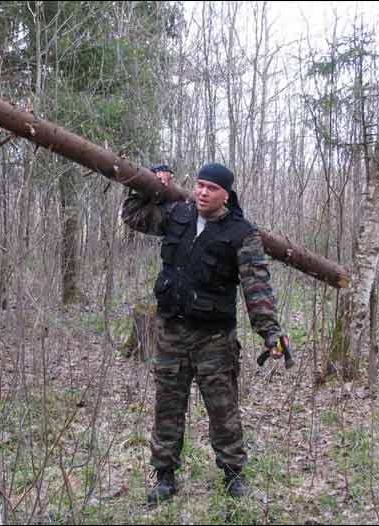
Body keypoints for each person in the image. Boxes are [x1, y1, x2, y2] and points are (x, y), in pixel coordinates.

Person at [122, 162, 286, 504]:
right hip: (171, 331)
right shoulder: (177, 215)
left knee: (223, 410)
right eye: (199, 185)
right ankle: (164, 476)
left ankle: (234, 475)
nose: (202, 192)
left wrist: (270, 332)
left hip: (214, 338)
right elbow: (133, 216)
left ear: (226, 194)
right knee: (167, 407)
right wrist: (147, 185)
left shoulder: (242, 233)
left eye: (211, 188)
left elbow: (256, 288)